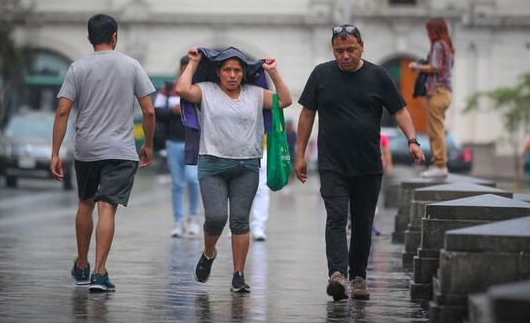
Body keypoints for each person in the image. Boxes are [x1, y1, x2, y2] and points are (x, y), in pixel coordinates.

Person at [294, 24, 425, 301]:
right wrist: (300, 154)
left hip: (368, 165)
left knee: (363, 223)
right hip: (332, 164)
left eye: (350, 49)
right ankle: (337, 275)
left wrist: (412, 141)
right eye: (339, 51)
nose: (345, 55)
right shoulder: (321, 74)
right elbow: (307, 115)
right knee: (337, 217)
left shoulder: (378, 76)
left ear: (362, 46)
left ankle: (359, 277)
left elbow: (399, 110)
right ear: (333, 51)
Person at [51, 14, 155, 292]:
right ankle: (99, 273)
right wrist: (149, 144)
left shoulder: (77, 68)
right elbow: (148, 110)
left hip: (87, 149)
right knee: (106, 207)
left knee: (85, 203)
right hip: (120, 150)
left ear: (88, 38)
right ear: (114, 37)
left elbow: (62, 110)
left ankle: (82, 266)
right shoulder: (131, 65)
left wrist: (55, 153)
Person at [176, 47, 291, 293]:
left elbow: (284, 101)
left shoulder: (255, 93)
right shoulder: (206, 91)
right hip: (212, 164)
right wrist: (194, 63)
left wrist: (274, 72)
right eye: (227, 69)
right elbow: (182, 90)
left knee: (240, 221)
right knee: (216, 217)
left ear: (243, 73)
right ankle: (208, 253)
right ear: (218, 72)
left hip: (246, 164)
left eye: (237, 70)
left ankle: (238, 274)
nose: (232, 75)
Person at [155, 55, 201, 238]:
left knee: (193, 180)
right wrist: (171, 111)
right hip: (173, 142)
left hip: (194, 142)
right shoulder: (168, 89)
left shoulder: (198, 89)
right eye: (185, 68)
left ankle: (193, 218)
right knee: (177, 184)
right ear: (181, 69)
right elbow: (156, 111)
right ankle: (178, 221)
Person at [409, 17, 454, 178]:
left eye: (429, 30)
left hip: (437, 92)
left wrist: (417, 67)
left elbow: (435, 67)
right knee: (437, 129)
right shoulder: (448, 47)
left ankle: (440, 165)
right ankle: (439, 164)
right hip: (445, 92)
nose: (428, 34)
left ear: (434, 31)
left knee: (436, 130)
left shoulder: (438, 45)